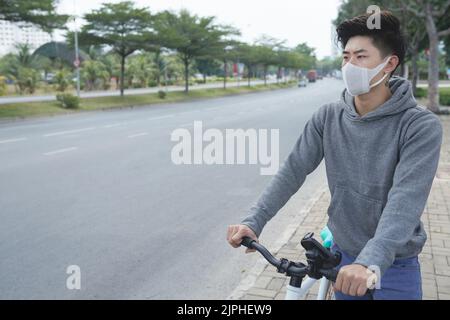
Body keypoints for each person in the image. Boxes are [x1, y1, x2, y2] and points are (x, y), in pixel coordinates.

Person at [227, 11, 443, 300]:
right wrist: (254, 221)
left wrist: (369, 262)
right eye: (345, 57)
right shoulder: (328, 117)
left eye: (361, 57)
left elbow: (405, 202)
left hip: (394, 264)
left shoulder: (419, 126)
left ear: (390, 64)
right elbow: (292, 171)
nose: (350, 65)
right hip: (342, 260)